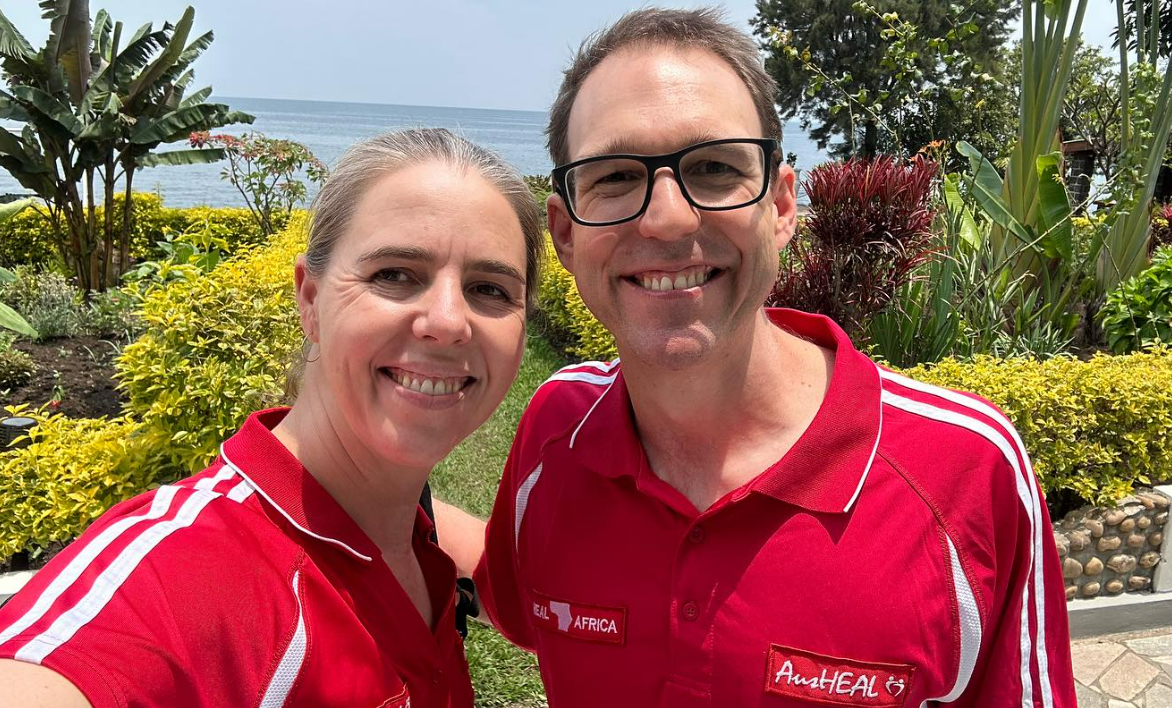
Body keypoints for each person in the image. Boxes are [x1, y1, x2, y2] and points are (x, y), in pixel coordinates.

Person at [434, 7, 1077, 707]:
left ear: (780, 204)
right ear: (564, 231)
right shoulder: (559, 428)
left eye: (713, 167)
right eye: (615, 177)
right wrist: (355, 473)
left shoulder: (966, 470)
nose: (668, 217)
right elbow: (517, 591)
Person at [0, 128, 544, 708]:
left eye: (489, 288)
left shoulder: (406, 536)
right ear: (309, 297)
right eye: (394, 274)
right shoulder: (192, 570)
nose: (447, 320)